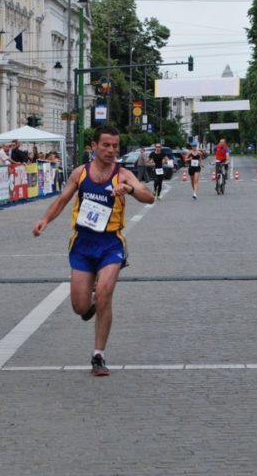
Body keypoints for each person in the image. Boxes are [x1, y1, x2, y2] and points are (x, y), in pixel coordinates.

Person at [32, 125, 154, 376]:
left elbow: (148, 196)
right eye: (106, 145)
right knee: (79, 306)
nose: (112, 150)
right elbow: (63, 199)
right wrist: (45, 219)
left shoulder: (122, 174)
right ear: (94, 146)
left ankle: (98, 355)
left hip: (111, 243)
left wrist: (130, 190)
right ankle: (92, 304)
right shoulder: (80, 173)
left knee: (106, 293)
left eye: (115, 146)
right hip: (83, 243)